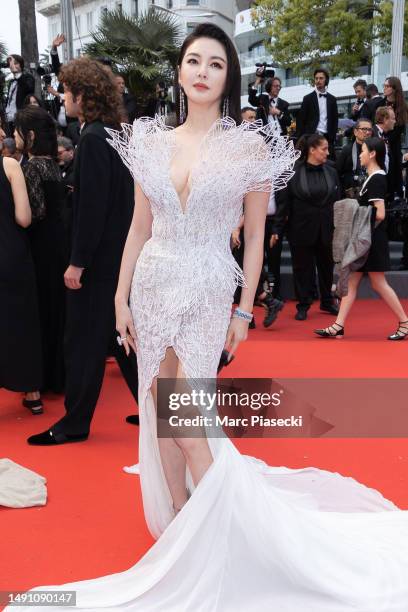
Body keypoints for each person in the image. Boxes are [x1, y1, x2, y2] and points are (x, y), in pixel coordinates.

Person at [13, 24, 408, 612]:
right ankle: (177, 530)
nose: (201, 71)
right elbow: (137, 228)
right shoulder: (150, 141)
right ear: (179, 71)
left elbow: (254, 238)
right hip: (152, 282)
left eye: (215, 64)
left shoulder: (247, 146)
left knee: (188, 416)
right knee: (158, 407)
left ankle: (233, 532)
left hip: (205, 284)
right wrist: (120, 297)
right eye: (192, 61)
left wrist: (245, 310)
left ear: (229, 76)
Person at [28, 57, 139, 446]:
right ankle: (160, 411)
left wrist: (77, 263)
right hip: (120, 257)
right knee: (125, 341)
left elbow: (92, 208)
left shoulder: (92, 139)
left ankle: (74, 424)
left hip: (97, 264)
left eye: (65, 92)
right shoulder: (116, 134)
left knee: (82, 344)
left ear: (81, 95)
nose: (62, 100)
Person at [315, 137, 408, 341]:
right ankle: (338, 325)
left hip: (371, 240)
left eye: (363, 151)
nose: (360, 154)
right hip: (367, 239)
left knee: (378, 283)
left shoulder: (377, 178)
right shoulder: (372, 177)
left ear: (373, 153)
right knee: (352, 282)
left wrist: (358, 221)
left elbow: (380, 213)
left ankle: (404, 322)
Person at [15, 106, 67, 403]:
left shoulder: (32, 167)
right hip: (58, 248)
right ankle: (58, 375)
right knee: (56, 311)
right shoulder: (52, 166)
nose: (14, 135)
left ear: (30, 135)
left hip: (40, 249)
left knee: (43, 312)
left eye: (19, 130)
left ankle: (45, 377)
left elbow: (35, 212)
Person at [276, 133, 340, 320]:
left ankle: (328, 301)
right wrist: (277, 229)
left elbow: (338, 199)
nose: (328, 152)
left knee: (327, 267)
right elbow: (283, 203)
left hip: (327, 228)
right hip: (301, 228)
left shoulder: (332, 171)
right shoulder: (293, 171)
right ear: (312, 150)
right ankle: (303, 304)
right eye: (324, 149)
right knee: (302, 268)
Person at [0, 155, 43, 409]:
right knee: (21, 323)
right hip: (12, 255)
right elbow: (24, 218)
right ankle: (32, 394)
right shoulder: (10, 165)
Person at [296, 68, 339, 158]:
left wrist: (332, 137)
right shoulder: (307, 98)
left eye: (321, 78)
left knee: (329, 164)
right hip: (311, 136)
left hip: (327, 138)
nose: (318, 81)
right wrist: (302, 138)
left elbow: (335, 120)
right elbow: (301, 120)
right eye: (316, 78)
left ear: (326, 80)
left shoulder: (332, 99)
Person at [336, 118, 373, 198]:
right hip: (351, 195)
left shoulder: (375, 149)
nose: (367, 132)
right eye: (364, 129)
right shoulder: (347, 150)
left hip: (371, 193)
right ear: (355, 132)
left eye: (370, 130)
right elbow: (338, 173)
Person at [4, 54, 35, 134]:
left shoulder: (28, 77)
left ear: (21, 64)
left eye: (16, 63)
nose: (13, 65)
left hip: (21, 117)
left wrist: (17, 73)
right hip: (8, 118)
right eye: (11, 63)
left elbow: (29, 89)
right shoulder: (11, 81)